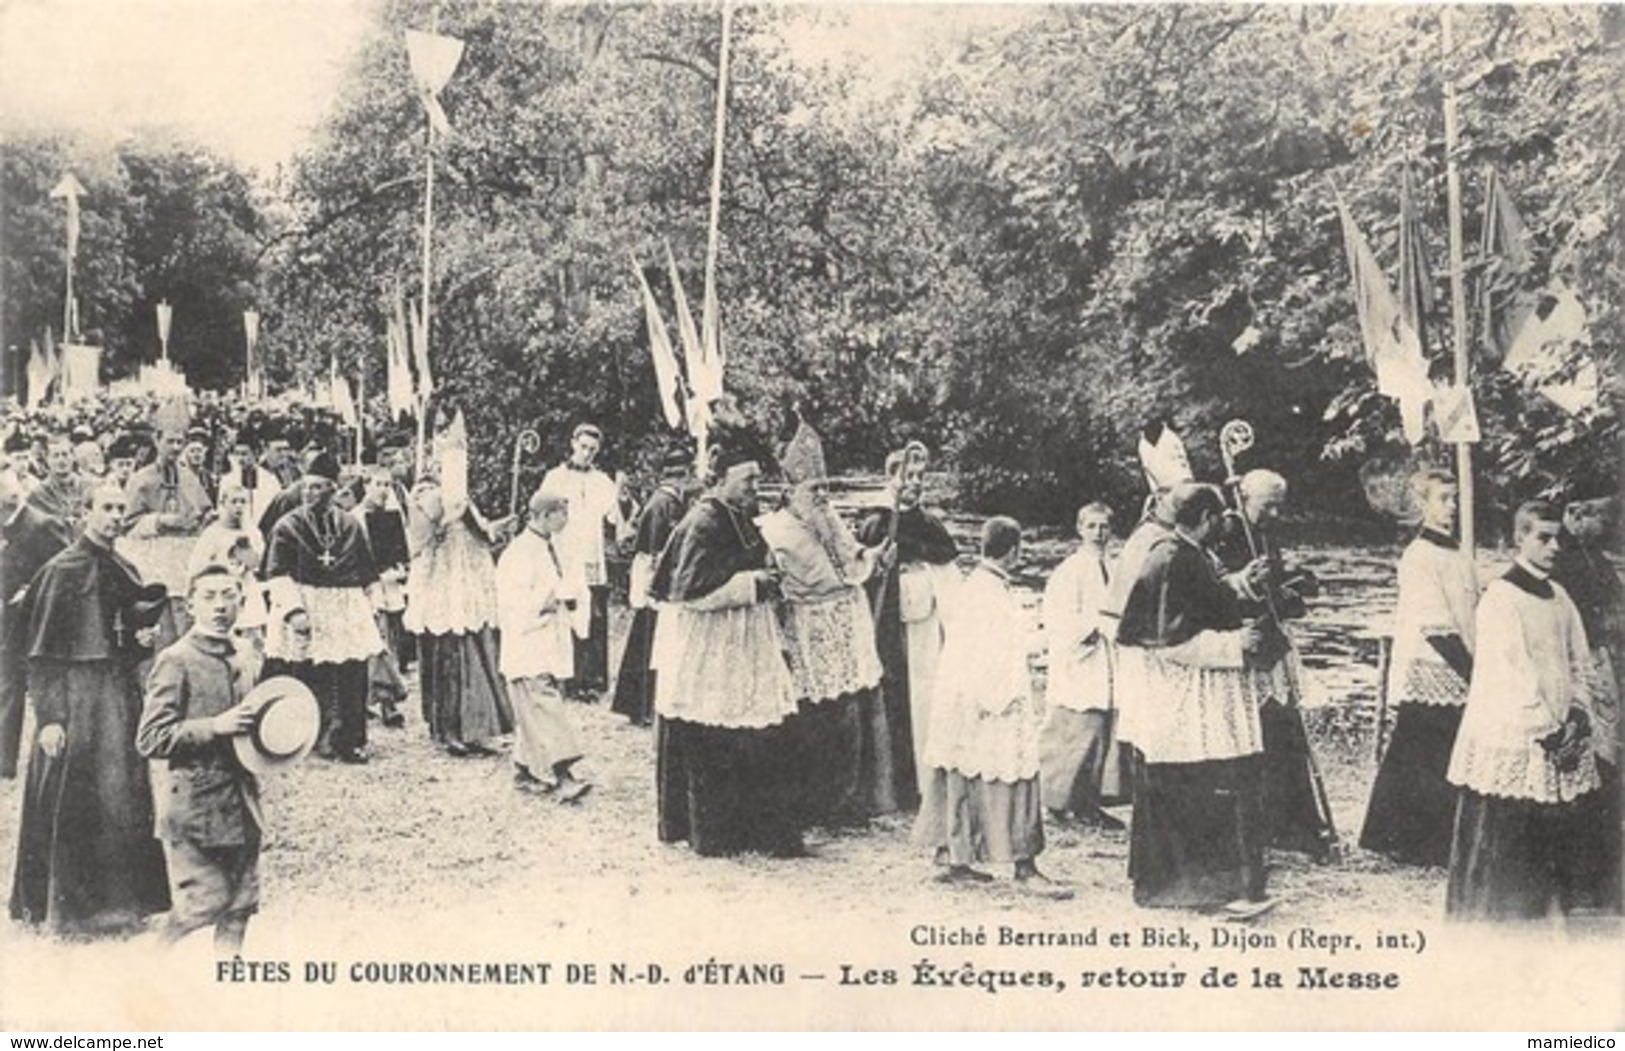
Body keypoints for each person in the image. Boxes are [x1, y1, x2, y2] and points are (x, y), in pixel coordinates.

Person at [9, 483, 171, 935]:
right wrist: (50, 719)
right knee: (75, 800)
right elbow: (40, 653)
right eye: (107, 508)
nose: (116, 515)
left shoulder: (122, 565)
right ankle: (72, 911)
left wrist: (140, 643)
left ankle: (121, 906)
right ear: (86, 513)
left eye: (122, 508)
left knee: (122, 798)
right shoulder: (62, 571)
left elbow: (122, 635)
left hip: (116, 697)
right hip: (76, 701)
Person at [648, 414, 804, 858]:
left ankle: (755, 828)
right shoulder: (704, 520)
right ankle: (714, 833)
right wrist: (755, 583)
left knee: (758, 728)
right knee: (714, 729)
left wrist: (771, 574)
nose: (756, 488)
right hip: (712, 642)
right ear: (721, 478)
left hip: (745, 638)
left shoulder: (740, 514)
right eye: (748, 479)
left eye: (757, 479)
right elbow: (692, 592)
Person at [1117, 483, 1272, 915]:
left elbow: (1208, 598)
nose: (1226, 524)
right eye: (1220, 517)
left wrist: (1241, 584)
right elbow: (1169, 642)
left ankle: (1207, 883)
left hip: (1198, 691)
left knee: (1207, 781)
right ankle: (1176, 886)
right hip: (1178, 697)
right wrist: (1236, 643)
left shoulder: (1191, 553)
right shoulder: (1169, 559)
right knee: (1188, 785)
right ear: (1205, 520)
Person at [1446, 501, 1602, 921]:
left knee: (1550, 843)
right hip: (1514, 731)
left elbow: (1579, 662)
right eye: (1543, 537)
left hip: (1559, 729)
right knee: (1507, 840)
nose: (1554, 547)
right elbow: (1510, 675)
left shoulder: (1560, 596)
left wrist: (1577, 715)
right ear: (1519, 538)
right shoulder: (1501, 597)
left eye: (1558, 539)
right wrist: (1549, 731)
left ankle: (1543, 925)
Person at [915, 516, 1070, 897]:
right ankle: (1024, 865)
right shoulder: (990, 593)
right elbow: (1003, 649)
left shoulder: (976, 585)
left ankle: (957, 858)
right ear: (1015, 552)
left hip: (961, 698)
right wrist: (1049, 637)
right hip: (988, 699)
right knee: (1013, 770)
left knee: (963, 773)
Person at [759, 420, 893, 824]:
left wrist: (875, 558)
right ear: (789, 492)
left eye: (824, 488)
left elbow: (853, 557)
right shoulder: (771, 529)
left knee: (849, 713)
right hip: (805, 626)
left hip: (845, 622)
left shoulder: (828, 517)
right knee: (811, 719)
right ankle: (812, 804)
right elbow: (771, 585)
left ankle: (845, 801)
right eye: (812, 489)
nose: (821, 495)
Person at [135, 565, 263, 954]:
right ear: (190, 606)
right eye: (208, 597)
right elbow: (150, 738)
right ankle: (146, 973)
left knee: (240, 907)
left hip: (243, 803)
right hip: (194, 807)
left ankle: (227, 988)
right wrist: (214, 726)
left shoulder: (245, 654)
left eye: (229, 595)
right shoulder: (176, 659)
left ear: (242, 602)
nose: (220, 606)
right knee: (199, 907)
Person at [1215, 469, 1338, 862]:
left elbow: (1278, 579)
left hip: (1274, 643)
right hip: (1245, 649)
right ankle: (1268, 825)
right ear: (1244, 497)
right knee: (1260, 733)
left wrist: (1297, 583)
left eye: (1278, 505)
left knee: (1284, 732)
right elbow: (1220, 592)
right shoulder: (1226, 533)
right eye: (1267, 504)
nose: (1274, 513)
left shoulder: (1265, 533)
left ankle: (1291, 822)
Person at [1360, 468, 1479, 867]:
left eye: (1454, 498)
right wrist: (1472, 670)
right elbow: (1434, 622)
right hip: (1433, 661)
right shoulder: (1420, 555)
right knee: (1420, 749)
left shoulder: (1455, 552)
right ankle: (1401, 838)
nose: (1452, 507)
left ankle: (1431, 838)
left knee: (1436, 750)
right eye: (1443, 499)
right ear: (1421, 505)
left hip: (1458, 654)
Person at [261, 451, 384, 764]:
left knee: (350, 676)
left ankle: (348, 740)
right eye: (306, 487)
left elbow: (368, 571)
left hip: (343, 607)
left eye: (317, 487)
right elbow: (276, 573)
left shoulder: (350, 525)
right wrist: (294, 611)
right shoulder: (288, 526)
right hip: (304, 605)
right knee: (306, 674)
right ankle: (301, 739)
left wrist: (375, 603)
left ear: (332, 490)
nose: (309, 493)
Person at [855, 442, 959, 809]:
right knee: (894, 695)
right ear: (890, 477)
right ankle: (892, 785)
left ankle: (925, 779)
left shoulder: (927, 522)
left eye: (920, 477)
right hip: (891, 624)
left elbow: (946, 555)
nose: (915, 483)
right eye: (907, 476)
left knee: (925, 696)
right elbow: (865, 566)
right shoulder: (876, 519)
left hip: (924, 627)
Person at [405, 413, 513, 756]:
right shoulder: (425, 495)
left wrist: (500, 527)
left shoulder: (463, 497)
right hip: (441, 586)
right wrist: (445, 507)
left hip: (466, 585)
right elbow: (419, 539)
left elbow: (481, 534)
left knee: (474, 649)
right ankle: (447, 727)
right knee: (446, 656)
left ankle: (475, 727)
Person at [496, 489, 592, 802]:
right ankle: (562, 774)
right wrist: (551, 600)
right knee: (544, 705)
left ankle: (524, 770)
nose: (566, 519)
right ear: (544, 515)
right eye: (561, 513)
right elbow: (513, 603)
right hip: (526, 641)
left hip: (546, 638)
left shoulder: (549, 547)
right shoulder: (519, 553)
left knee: (533, 708)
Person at [1040, 501, 1126, 830]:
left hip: (1108, 658)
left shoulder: (1116, 568)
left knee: (1101, 734)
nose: (1099, 533)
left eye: (1104, 526)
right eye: (1092, 526)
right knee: (1072, 732)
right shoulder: (1069, 571)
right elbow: (1059, 618)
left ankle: (1089, 803)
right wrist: (1091, 629)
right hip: (1080, 658)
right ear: (1080, 529)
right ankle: (1056, 803)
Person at [537, 423, 625, 701]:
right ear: (573, 443)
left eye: (592, 450)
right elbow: (541, 513)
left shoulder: (602, 481)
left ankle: (592, 680)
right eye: (583, 447)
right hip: (564, 554)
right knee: (566, 614)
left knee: (593, 616)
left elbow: (616, 517)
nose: (587, 453)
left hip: (591, 555)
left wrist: (623, 497)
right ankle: (567, 677)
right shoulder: (555, 477)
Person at [611, 443, 690, 727]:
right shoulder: (662, 504)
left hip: (659, 576)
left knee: (649, 640)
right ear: (680, 477)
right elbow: (658, 550)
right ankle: (638, 704)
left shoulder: (670, 502)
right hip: (654, 579)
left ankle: (641, 703)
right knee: (646, 640)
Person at [1, 466, 71, 779]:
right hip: (7, 623)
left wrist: (32, 591)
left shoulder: (42, 525)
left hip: (35, 625)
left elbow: (66, 570)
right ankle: (4, 762)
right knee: (6, 687)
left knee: (40, 688)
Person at [354, 465, 411, 727]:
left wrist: (400, 567)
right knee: (377, 643)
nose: (384, 490)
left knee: (390, 641)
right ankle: (387, 700)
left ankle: (379, 697)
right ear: (366, 485)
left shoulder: (392, 517)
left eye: (388, 485)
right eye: (378, 484)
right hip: (367, 589)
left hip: (390, 586)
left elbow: (402, 550)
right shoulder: (355, 518)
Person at [25, 431, 87, 547]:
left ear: (73, 457)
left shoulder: (86, 486)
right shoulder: (38, 493)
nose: (61, 460)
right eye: (55, 456)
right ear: (47, 460)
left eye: (65, 454)